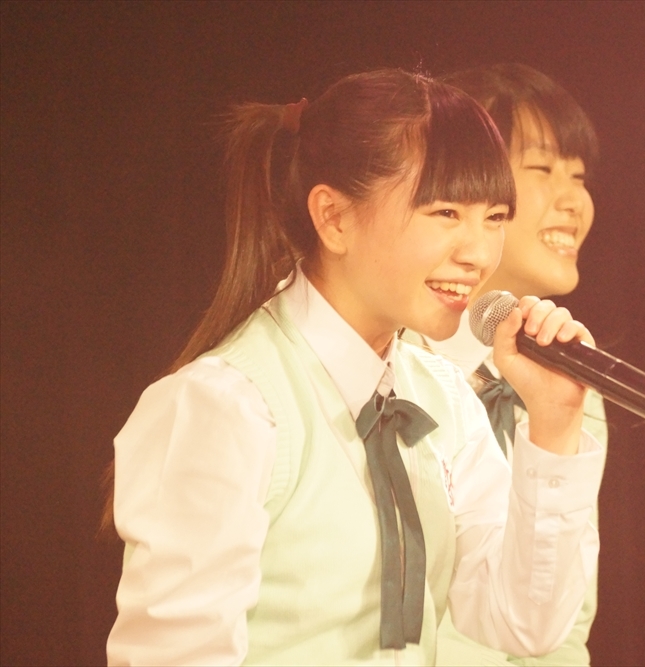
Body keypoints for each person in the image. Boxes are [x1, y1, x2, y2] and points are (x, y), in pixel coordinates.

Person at [105, 69, 605, 666]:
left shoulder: (442, 396)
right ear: (334, 218)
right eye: (445, 212)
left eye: (494, 217)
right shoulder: (227, 406)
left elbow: (522, 624)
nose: (478, 253)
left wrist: (553, 425)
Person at [407, 64, 606, 667]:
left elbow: (567, 616)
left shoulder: (569, 374)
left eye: (579, 176)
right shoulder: (389, 358)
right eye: (542, 169)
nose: (573, 201)